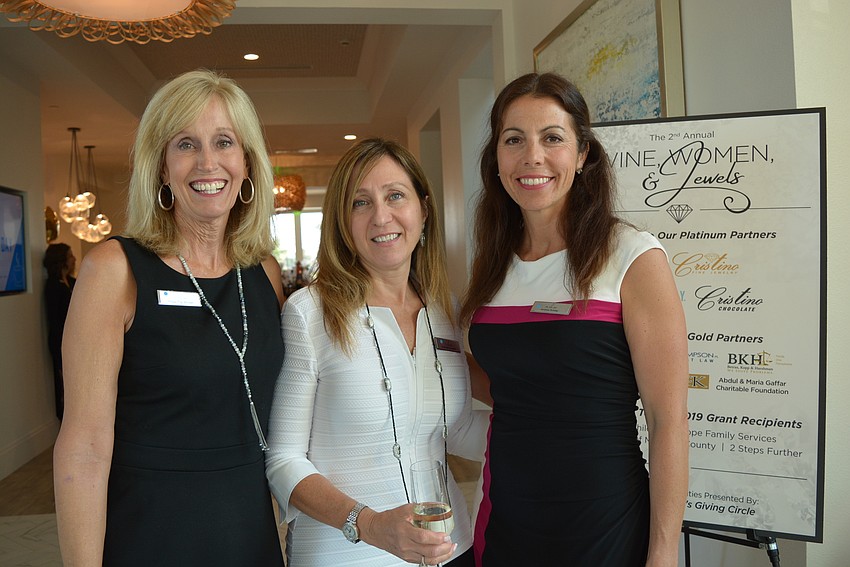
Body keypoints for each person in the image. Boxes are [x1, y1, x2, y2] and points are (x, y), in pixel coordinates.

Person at [53, 69, 285, 566]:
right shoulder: (114, 270)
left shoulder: (264, 274)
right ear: (160, 167)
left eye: (224, 142)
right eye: (185, 144)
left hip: (250, 534)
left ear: (246, 162)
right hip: (151, 534)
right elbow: (84, 448)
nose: (208, 162)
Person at [459, 72, 689, 567]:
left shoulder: (632, 256)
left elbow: (668, 420)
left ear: (583, 154)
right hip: (508, 516)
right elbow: (507, 383)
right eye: (513, 139)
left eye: (553, 138)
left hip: (603, 519)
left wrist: (664, 552)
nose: (532, 157)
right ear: (496, 157)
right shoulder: (493, 264)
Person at [265, 138, 489, 567]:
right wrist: (369, 524)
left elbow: (454, 427)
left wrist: (549, 428)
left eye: (395, 196)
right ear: (341, 224)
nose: (381, 216)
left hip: (450, 548)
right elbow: (283, 461)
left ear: (423, 209)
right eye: (360, 203)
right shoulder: (310, 314)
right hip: (345, 555)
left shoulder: (444, 310)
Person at [43, 242, 76, 420]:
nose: (74, 259)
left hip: (76, 341)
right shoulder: (53, 286)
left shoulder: (71, 282)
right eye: (70, 256)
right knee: (64, 383)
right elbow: (55, 321)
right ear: (61, 260)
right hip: (60, 340)